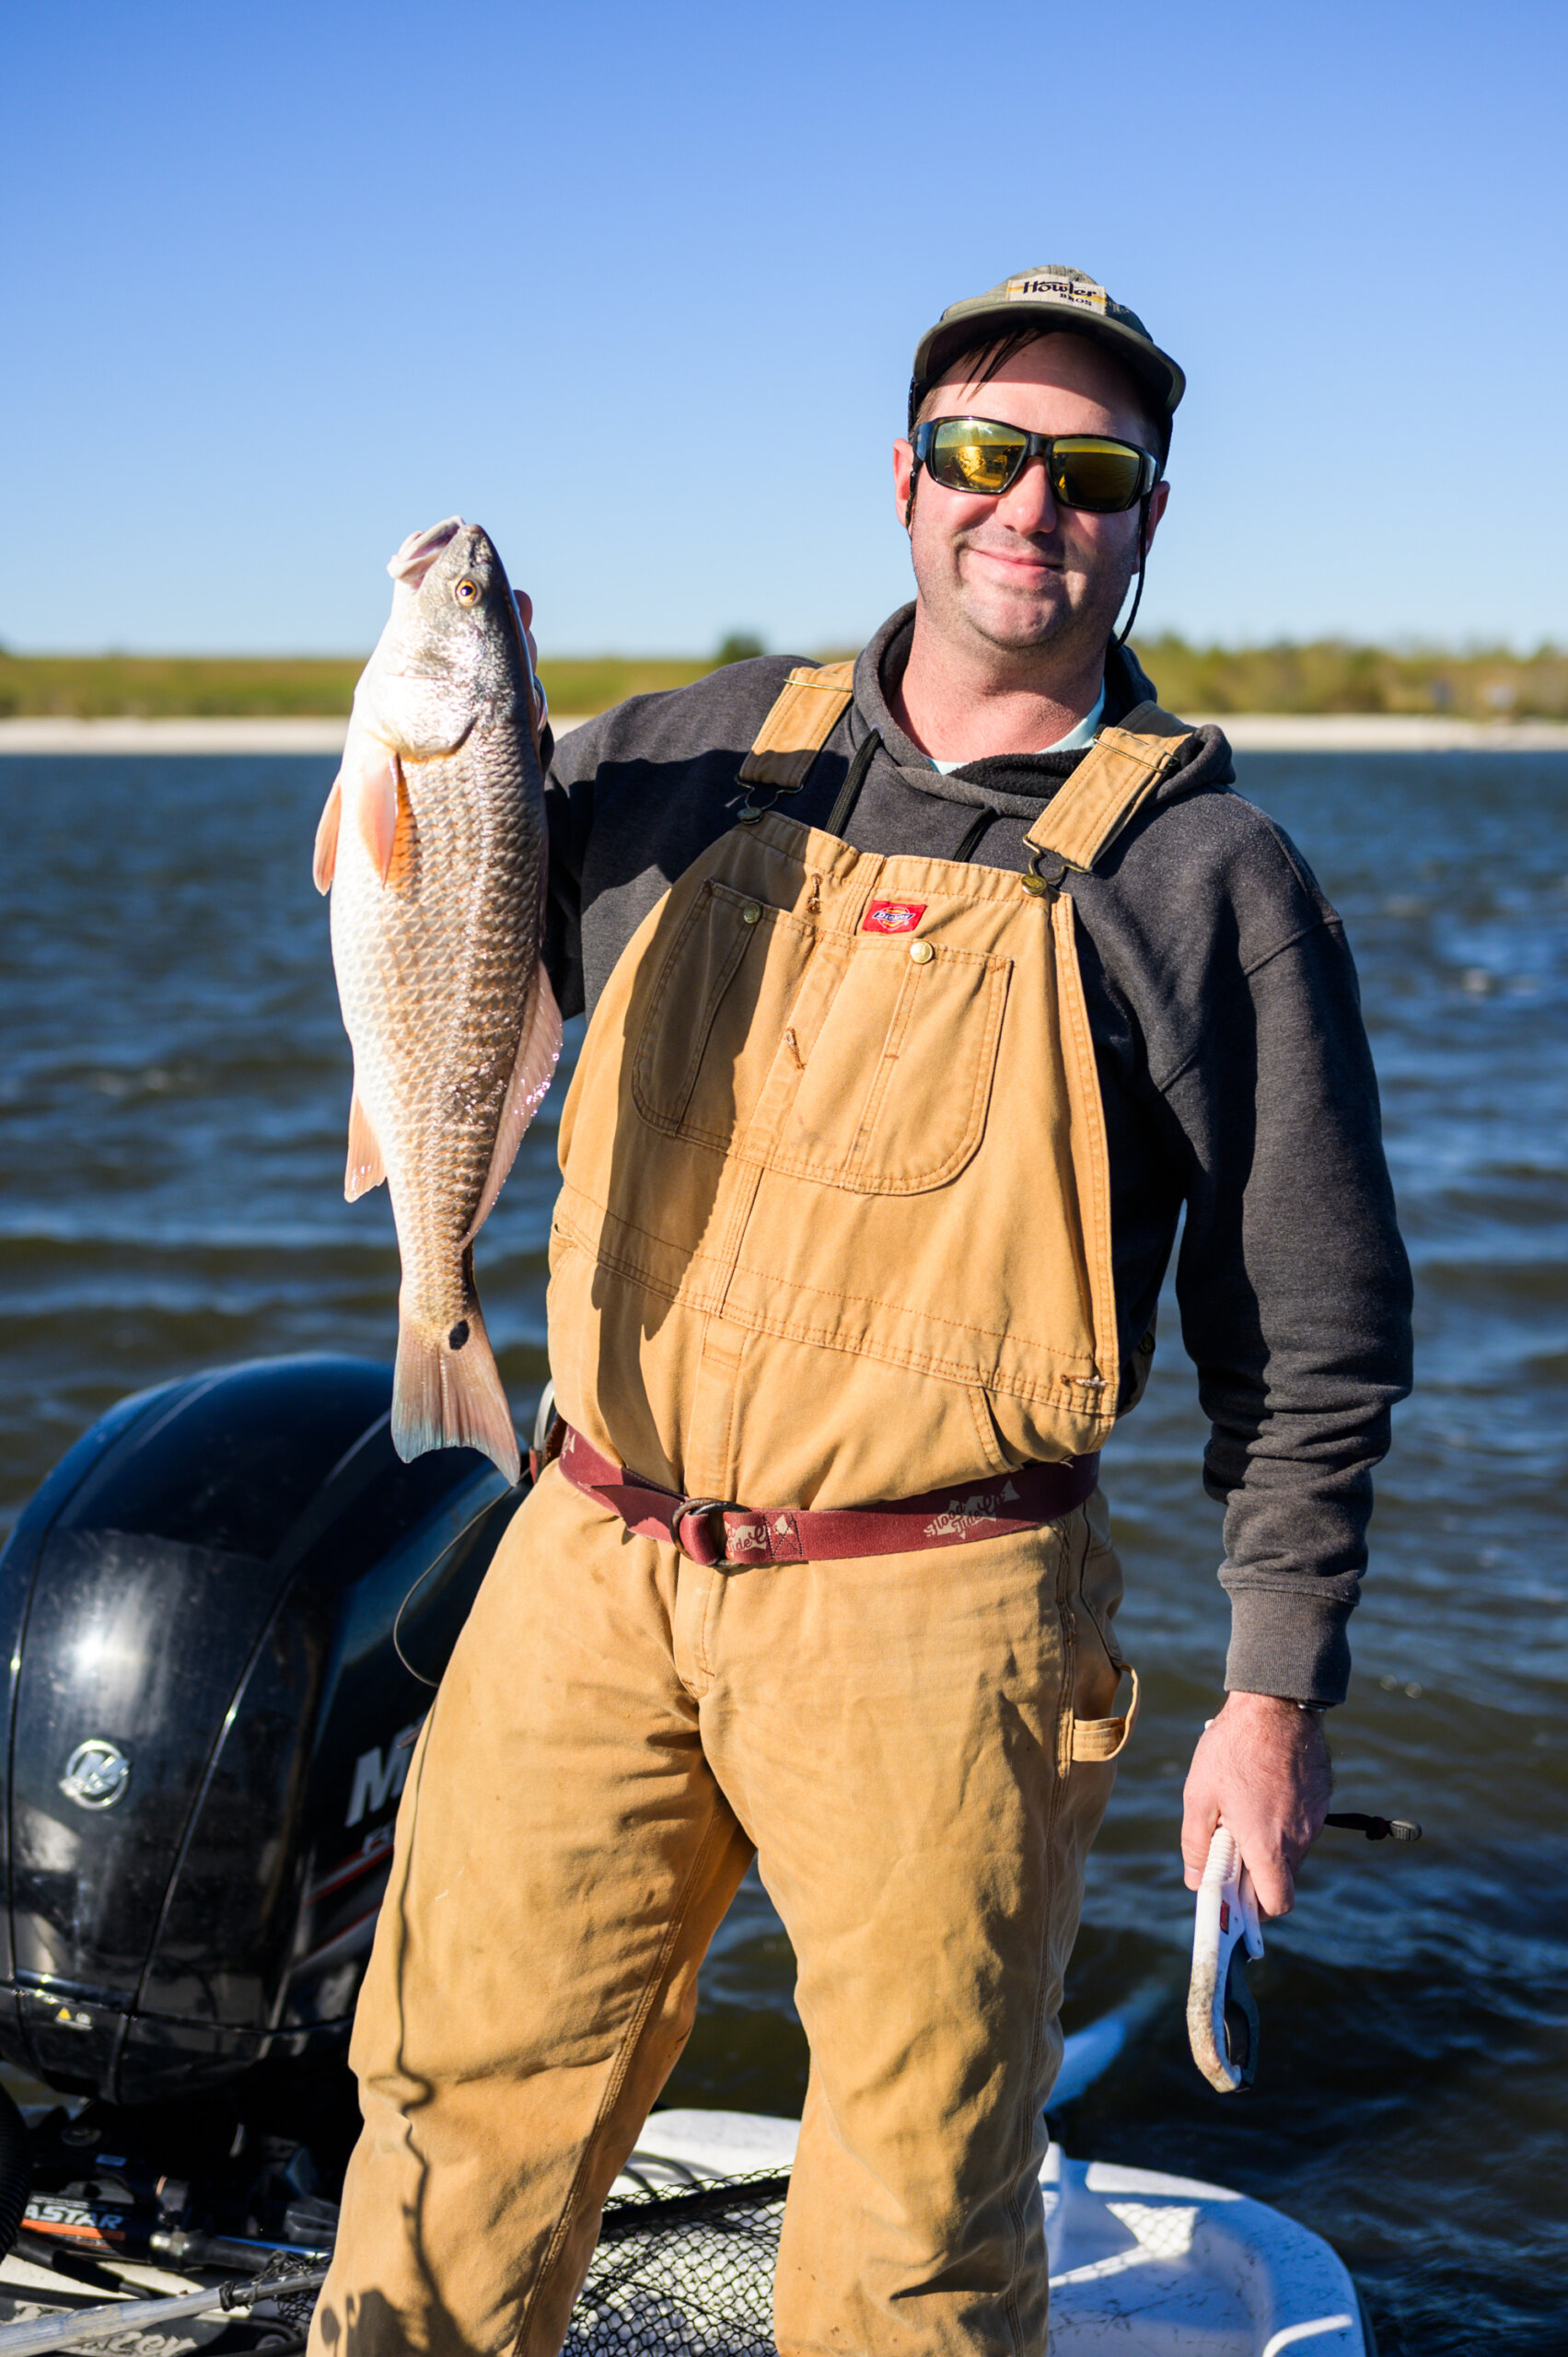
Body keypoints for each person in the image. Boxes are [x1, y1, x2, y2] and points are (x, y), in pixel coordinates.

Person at [310, 264, 1412, 2357]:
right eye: (989, 453)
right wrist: (444, 739)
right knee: (448, 2126)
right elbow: (443, 920)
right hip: (591, 1547)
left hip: (943, 1616)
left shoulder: (1211, 877)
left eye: (1091, 470)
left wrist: (1269, 1696)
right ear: (904, 481)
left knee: (913, 2229)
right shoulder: (697, 748)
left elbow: (1313, 1332)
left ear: (1147, 517)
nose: (1033, 504)